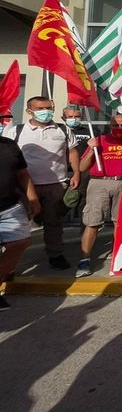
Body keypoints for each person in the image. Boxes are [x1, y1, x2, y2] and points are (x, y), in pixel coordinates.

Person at [3, 96, 79, 270]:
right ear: (29, 111)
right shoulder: (16, 131)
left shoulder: (63, 130)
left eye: (48, 107)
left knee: (54, 223)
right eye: (40, 108)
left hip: (56, 184)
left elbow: (72, 151)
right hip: (24, 187)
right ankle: (11, 263)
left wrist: (76, 173)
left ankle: (55, 254)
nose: (46, 112)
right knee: (19, 225)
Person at [75, 115, 122, 278]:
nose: (119, 128)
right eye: (116, 125)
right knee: (92, 222)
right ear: (110, 126)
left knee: (120, 222)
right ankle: (84, 260)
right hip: (99, 182)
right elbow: (82, 166)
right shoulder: (99, 140)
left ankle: (118, 255)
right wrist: (92, 149)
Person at [0, 115, 40, 309]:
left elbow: (22, 174)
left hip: (9, 207)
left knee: (21, 241)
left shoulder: (9, 145)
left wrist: (32, 198)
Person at [62, 105, 91, 224]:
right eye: (70, 117)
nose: (74, 119)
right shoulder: (59, 131)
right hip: (63, 171)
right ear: (64, 118)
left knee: (80, 199)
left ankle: (80, 222)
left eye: (77, 116)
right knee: (63, 201)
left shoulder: (91, 131)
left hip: (83, 171)